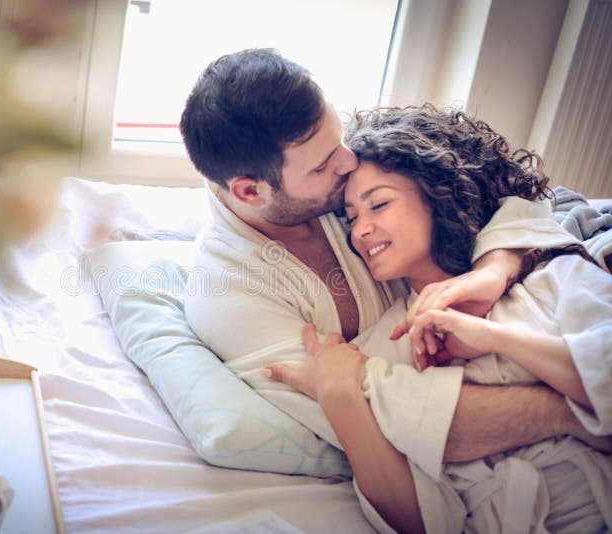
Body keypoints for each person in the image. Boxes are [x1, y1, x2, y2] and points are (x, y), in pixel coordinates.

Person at [179, 48, 609, 532]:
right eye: (324, 167)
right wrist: (575, 410)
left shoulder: (352, 173)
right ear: (250, 192)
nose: (348, 161)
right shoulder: (230, 297)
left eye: (338, 138)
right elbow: (379, 419)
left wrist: (493, 270)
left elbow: (501, 200)